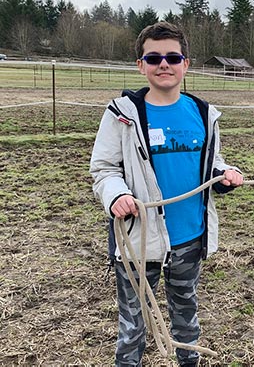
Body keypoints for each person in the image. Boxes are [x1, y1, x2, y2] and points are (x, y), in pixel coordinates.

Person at [90, 21, 243, 367]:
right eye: (154, 57)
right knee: (133, 325)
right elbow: (104, 169)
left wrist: (222, 175)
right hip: (138, 240)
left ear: (186, 64)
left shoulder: (203, 113)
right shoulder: (121, 115)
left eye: (173, 57)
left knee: (186, 317)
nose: (164, 64)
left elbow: (211, 162)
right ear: (140, 65)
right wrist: (116, 196)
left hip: (190, 238)